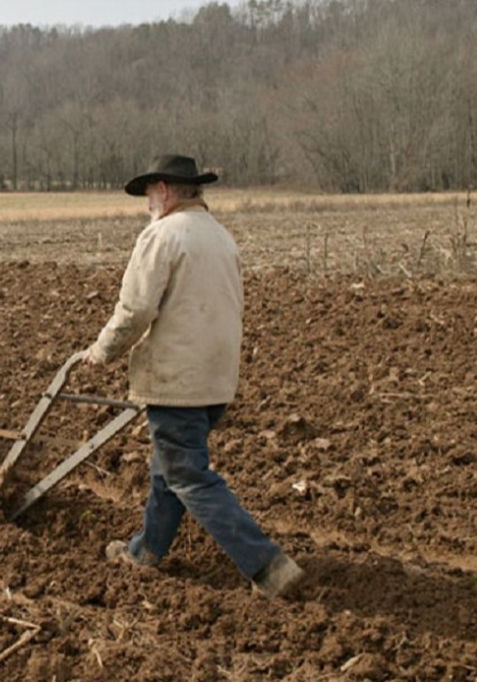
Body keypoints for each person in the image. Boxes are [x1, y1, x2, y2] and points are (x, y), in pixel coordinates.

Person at [83, 154, 303, 598]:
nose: (147, 202)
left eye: (149, 193)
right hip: (216, 378)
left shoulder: (162, 235)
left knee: (189, 476)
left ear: (163, 190)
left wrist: (102, 351)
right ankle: (145, 552)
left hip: (177, 380)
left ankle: (268, 566)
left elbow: (136, 310)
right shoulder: (221, 237)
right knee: (169, 471)